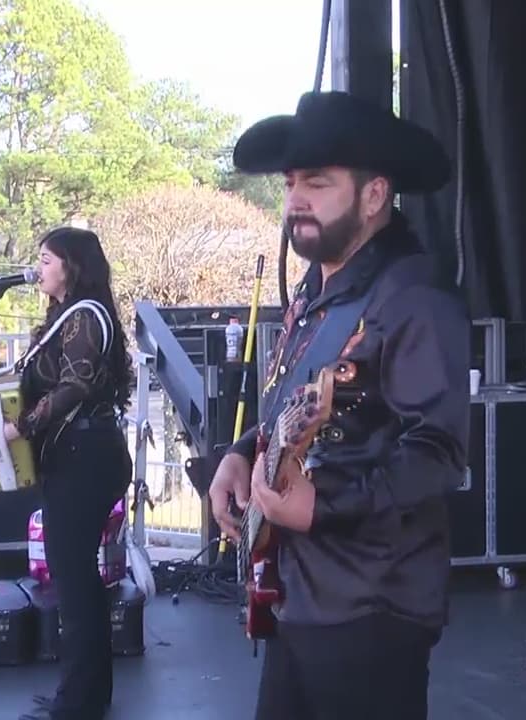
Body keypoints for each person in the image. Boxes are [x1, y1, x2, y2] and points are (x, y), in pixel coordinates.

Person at [208, 90, 470, 720]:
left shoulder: (414, 295)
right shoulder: (315, 289)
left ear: (374, 195)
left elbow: (437, 454)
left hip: (372, 608)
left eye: (317, 184)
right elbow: (290, 407)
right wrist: (243, 455)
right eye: (292, 182)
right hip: (300, 594)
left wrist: (323, 505)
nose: (294, 198)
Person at [0, 226, 134, 720]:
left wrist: (17, 429)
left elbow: (74, 388)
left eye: (46, 259)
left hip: (86, 455)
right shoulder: (69, 317)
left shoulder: (84, 317)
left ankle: (79, 702)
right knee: (77, 577)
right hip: (80, 453)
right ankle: (85, 693)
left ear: (72, 266)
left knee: (73, 578)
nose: (38, 268)